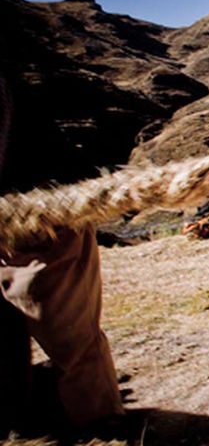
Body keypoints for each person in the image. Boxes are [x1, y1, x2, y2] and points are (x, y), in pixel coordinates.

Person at [0, 73, 126, 440]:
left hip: (45, 217)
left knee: (68, 333)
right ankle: (21, 420)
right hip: (16, 213)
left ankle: (101, 426)